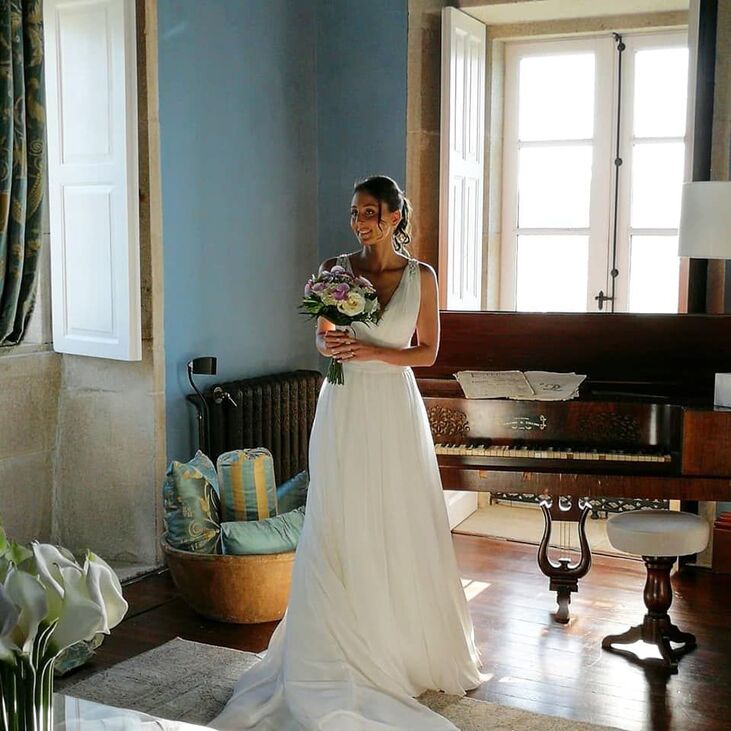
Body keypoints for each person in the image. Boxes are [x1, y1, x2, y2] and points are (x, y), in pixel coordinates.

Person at [209, 175, 483, 731]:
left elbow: (428, 353)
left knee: (396, 516)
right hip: (343, 403)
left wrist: (371, 351)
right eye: (355, 212)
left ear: (394, 216)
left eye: (371, 212)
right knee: (339, 515)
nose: (360, 221)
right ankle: (335, 642)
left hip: (393, 406)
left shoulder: (422, 277)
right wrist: (332, 343)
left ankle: (400, 645)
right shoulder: (335, 270)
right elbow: (322, 333)